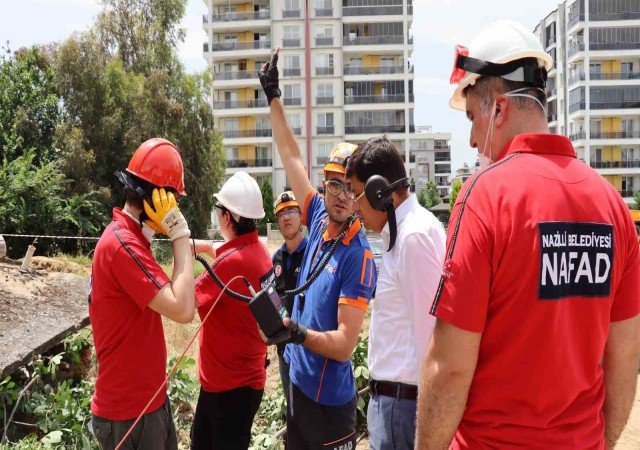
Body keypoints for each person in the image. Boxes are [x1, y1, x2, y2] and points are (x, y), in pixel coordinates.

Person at [416, 20, 640, 450]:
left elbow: (449, 367)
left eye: (472, 118)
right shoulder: (613, 207)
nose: (472, 138)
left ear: (498, 108)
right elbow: (625, 356)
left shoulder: (483, 198)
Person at [258, 48, 377, 450]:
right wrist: (273, 95)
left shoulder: (357, 255)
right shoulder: (320, 217)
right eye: (332, 184)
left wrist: (298, 332)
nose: (341, 195)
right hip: (297, 383)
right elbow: (290, 154)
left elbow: (344, 345)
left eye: (349, 187)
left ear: (360, 193)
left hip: (329, 405)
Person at [89, 138, 195, 450]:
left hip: (148, 403)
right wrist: (179, 232)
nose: (174, 208)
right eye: (172, 201)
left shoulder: (131, 239)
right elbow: (183, 309)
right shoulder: (123, 246)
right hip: (129, 416)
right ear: (156, 198)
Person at [345, 136, 446, 450]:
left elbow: (433, 341)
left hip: (403, 410)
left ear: (378, 192)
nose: (354, 206)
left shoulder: (413, 239)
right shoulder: (401, 234)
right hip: (394, 406)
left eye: (356, 194)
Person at [190, 171, 273, 450]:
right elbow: (226, 249)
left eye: (219, 210)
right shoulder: (259, 251)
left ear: (227, 218)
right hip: (245, 383)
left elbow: (185, 301)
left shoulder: (230, 264)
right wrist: (199, 246)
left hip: (226, 388)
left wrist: (180, 247)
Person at [271, 190, 308, 395]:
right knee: (292, 412)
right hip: (285, 351)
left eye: (291, 211)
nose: (286, 217)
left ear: (301, 216)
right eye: (281, 214)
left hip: (310, 347)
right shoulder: (275, 260)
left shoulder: (313, 253)